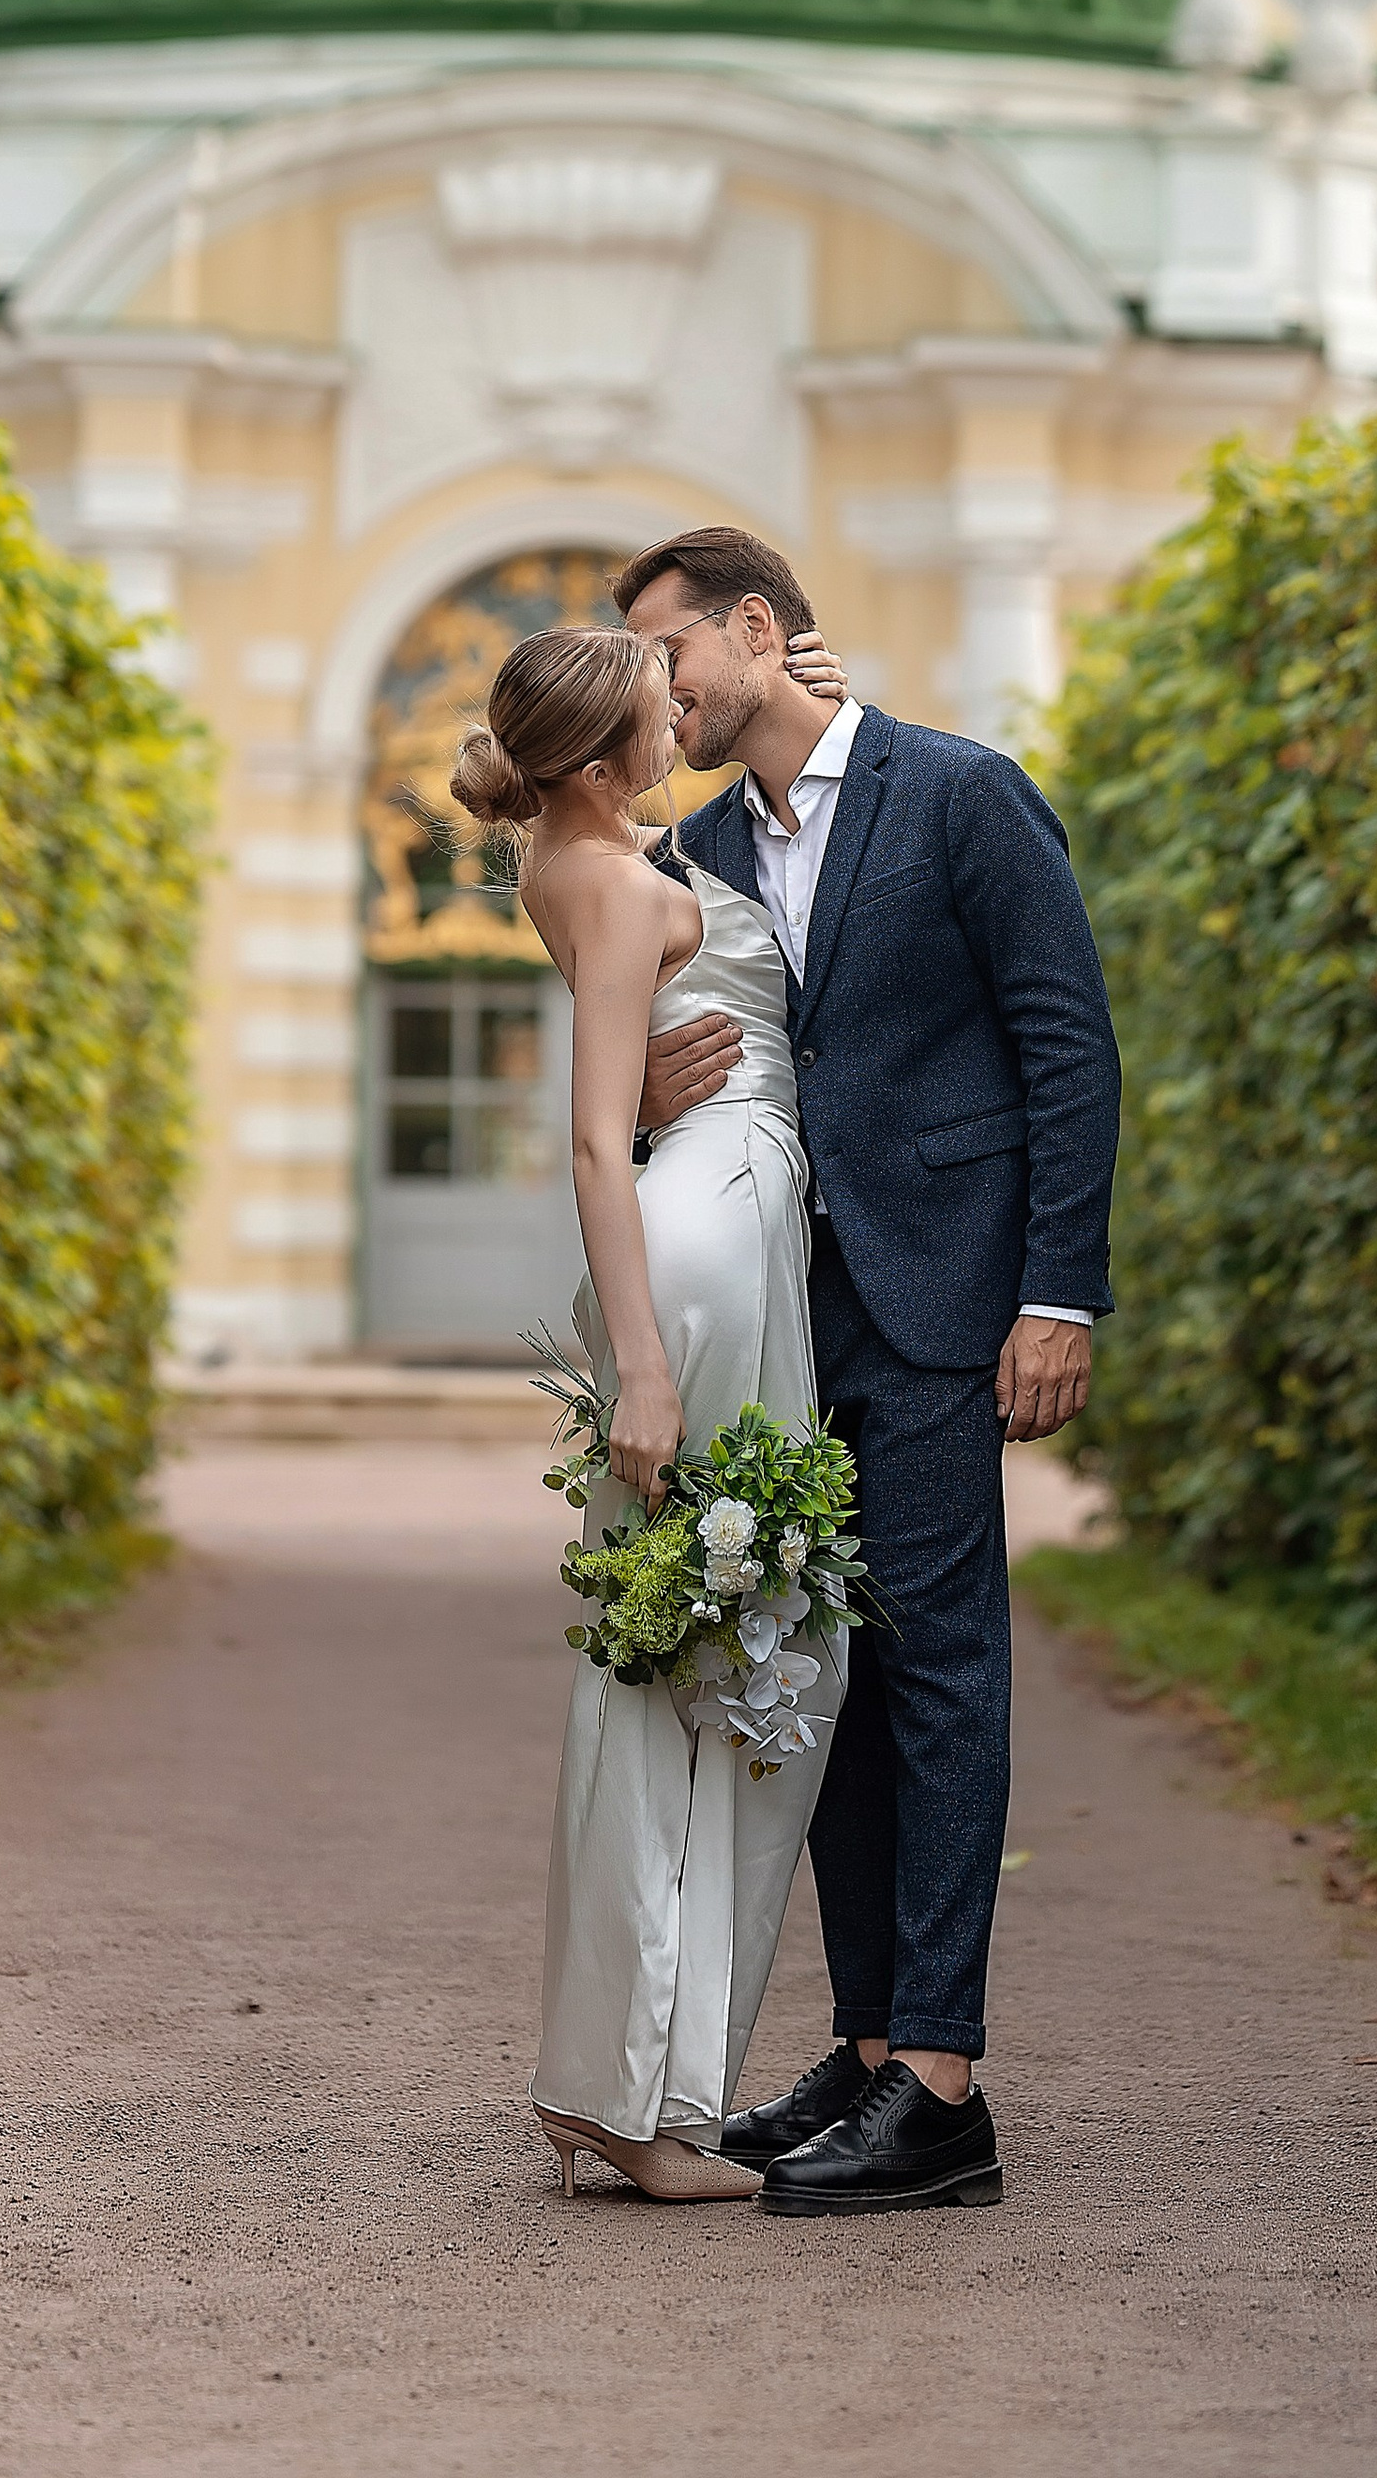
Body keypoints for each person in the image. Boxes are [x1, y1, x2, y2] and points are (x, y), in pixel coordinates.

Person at [616, 523, 1120, 2217]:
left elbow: (1067, 1044)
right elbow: (682, 1066)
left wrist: (1061, 1294)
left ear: (756, 632)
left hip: (944, 1302)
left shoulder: (964, 796)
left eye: (670, 657)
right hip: (782, 1313)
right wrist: (648, 1105)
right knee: (830, 1678)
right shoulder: (694, 852)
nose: (657, 694)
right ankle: (868, 2046)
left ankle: (946, 2086)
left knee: (943, 1672)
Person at [453, 621, 845, 2205]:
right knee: (722, 1650)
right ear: (611, 759)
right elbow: (595, 1146)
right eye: (659, 707)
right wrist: (647, 1365)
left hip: (727, 1219)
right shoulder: (614, 879)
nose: (684, 713)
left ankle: (630, 2084)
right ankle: (634, 2101)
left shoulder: (590, 851)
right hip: (699, 1254)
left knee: (711, 1646)